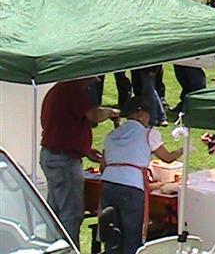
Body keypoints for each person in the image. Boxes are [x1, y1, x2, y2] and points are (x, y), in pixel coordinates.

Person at [40, 78, 119, 244]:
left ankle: (53, 246)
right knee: (71, 213)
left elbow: (62, 126)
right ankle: (69, 249)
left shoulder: (60, 89)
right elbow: (94, 115)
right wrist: (110, 112)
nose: (97, 79)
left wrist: (85, 149)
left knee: (55, 211)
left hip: (55, 155)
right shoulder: (72, 89)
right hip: (64, 160)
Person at [100, 96, 183, 254]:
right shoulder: (148, 133)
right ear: (140, 114)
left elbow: (103, 166)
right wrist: (183, 149)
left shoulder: (112, 134)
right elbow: (168, 158)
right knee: (132, 235)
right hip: (132, 186)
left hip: (108, 184)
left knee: (111, 234)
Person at [174, 0, 209, 108]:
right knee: (181, 73)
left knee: (193, 74)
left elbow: (196, 13)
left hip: (193, 39)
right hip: (180, 37)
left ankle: (198, 103)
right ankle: (185, 101)